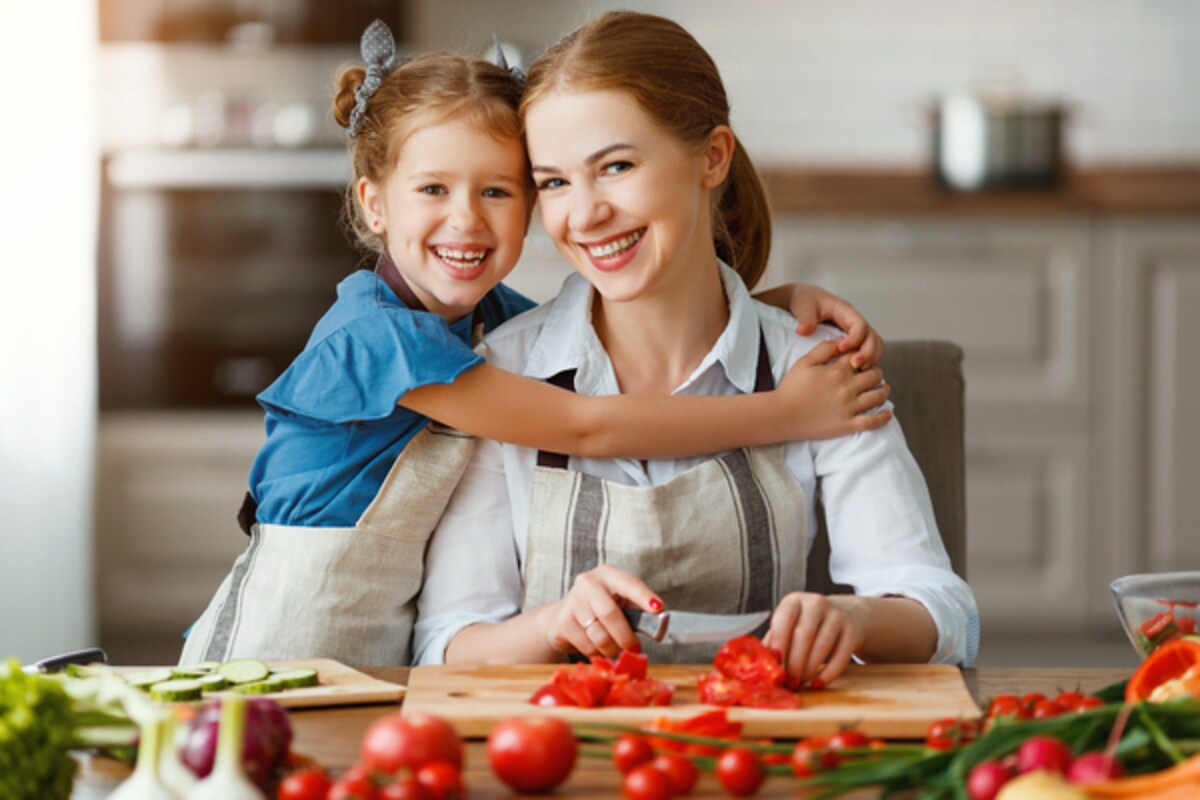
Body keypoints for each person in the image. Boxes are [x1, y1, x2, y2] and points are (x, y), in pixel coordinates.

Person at [179, 21, 890, 666]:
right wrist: (787, 413)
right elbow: (586, 425)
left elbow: (619, 319)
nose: (467, 220)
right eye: (433, 189)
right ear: (374, 203)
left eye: (498, 191)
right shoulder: (377, 338)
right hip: (272, 651)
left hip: (376, 665)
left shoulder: (490, 319)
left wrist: (766, 312)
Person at [413, 11, 979, 685]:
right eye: (555, 182)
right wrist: (550, 625)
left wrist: (854, 618)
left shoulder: (815, 368)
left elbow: (945, 614)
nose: (585, 214)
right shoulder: (503, 374)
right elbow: (443, 645)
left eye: (616, 166)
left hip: (760, 742)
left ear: (712, 157)